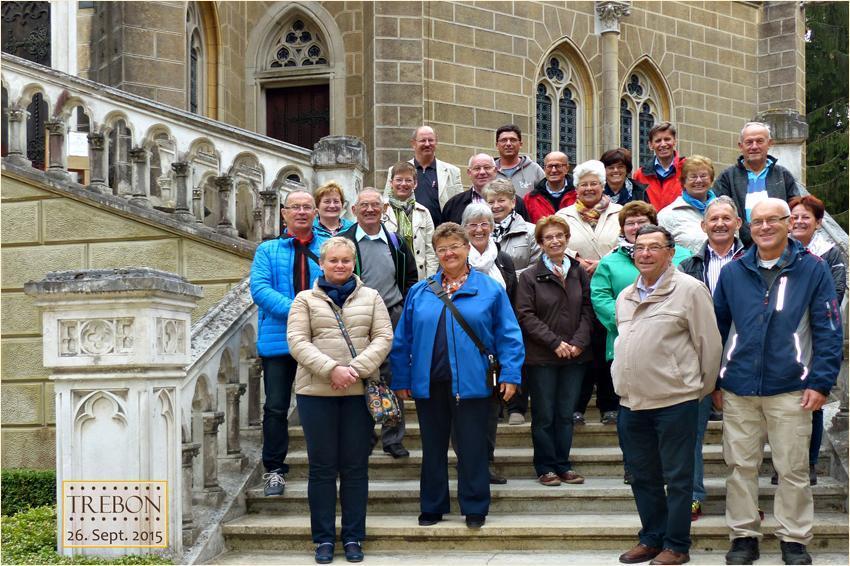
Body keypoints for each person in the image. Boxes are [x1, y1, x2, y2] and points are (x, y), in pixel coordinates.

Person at [714, 198, 843, 566]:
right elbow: (717, 329)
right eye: (758, 222)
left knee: (793, 469)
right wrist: (715, 382)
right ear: (748, 227)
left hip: (791, 389)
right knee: (740, 468)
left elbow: (829, 329)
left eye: (774, 220)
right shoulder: (733, 272)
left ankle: (794, 538)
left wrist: (820, 382)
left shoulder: (813, 269)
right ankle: (743, 536)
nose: (765, 227)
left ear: (789, 224)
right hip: (739, 389)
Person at [390, 223, 524, 530]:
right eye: (442, 248)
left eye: (454, 246)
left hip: (473, 383)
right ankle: (432, 505)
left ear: (466, 249)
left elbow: (509, 335)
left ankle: (475, 505)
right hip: (429, 383)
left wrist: (511, 373)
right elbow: (403, 340)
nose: (449, 253)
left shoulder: (490, 288)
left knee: (473, 447)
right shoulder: (419, 291)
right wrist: (401, 379)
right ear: (435, 253)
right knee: (433, 447)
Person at [613, 225, 722, 566]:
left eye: (653, 247)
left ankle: (677, 544)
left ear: (670, 252)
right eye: (639, 247)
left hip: (676, 401)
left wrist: (696, 390)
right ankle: (651, 538)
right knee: (642, 475)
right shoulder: (625, 296)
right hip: (631, 403)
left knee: (677, 477)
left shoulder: (690, 290)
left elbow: (710, 345)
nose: (644, 253)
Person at [287, 237, 393, 565]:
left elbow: (384, 337)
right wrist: (331, 369)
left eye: (346, 260)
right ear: (322, 263)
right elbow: (297, 341)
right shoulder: (305, 300)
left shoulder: (372, 297)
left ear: (353, 264)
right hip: (315, 394)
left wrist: (354, 371)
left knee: (354, 468)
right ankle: (322, 539)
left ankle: (352, 537)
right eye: (333, 260)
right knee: (321, 469)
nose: (340, 266)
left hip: (358, 394)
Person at [589, 201, 692, 483]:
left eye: (642, 221)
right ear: (622, 229)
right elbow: (600, 298)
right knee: (632, 419)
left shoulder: (683, 257)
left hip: (670, 356)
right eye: (630, 223)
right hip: (624, 348)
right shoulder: (610, 261)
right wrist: (630, 324)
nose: (636, 227)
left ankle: (670, 472)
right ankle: (634, 466)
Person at [250, 191, 325, 497]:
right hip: (279, 339)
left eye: (308, 207)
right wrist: (300, 309)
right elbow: (260, 289)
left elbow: (341, 281)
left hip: (321, 337)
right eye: (296, 207)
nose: (302, 212)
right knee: (276, 408)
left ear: (316, 213)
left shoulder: (328, 247)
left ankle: (324, 466)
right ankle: (274, 471)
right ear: (284, 214)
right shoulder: (267, 250)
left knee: (321, 406)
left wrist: (312, 312)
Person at [676, 196, 745, 522]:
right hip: (698, 363)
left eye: (725, 219)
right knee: (691, 436)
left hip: (743, 362)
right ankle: (692, 496)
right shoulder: (688, 266)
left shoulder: (753, 261)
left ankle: (743, 501)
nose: (719, 224)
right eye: (713, 219)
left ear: (738, 224)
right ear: (703, 226)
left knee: (744, 440)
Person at [339, 189, 418, 459]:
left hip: (393, 312)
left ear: (384, 208)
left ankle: (393, 438)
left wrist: (405, 307)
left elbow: (410, 277)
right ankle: (363, 435)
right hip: (357, 315)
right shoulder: (344, 241)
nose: (370, 210)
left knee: (393, 374)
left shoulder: (395, 241)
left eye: (375, 205)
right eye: (364, 205)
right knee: (360, 373)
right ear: (354, 210)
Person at [516, 215, 593, 487]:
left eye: (559, 235)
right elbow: (525, 316)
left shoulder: (578, 272)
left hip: (575, 355)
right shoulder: (529, 277)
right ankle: (546, 466)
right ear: (540, 243)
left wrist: (578, 342)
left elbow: (587, 309)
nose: (555, 241)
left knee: (565, 414)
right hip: (543, 358)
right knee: (545, 415)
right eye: (548, 237)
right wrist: (555, 342)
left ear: (567, 238)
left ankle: (564, 464)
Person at [782, 194, 847, 488]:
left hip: (814, 337)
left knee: (812, 405)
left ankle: (808, 462)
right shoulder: (777, 251)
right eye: (793, 216)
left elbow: (834, 295)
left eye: (805, 217)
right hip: (783, 339)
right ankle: (784, 464)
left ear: (818, 223)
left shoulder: (829, 254)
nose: (798, 221)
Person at [557, 160, 622, 427]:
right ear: (576, 188)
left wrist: (603, 262)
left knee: (608, 346)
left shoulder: (621, 212)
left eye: (594, 183)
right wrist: (578, 260)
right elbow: (555, 240)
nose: (589, 188)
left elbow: (627, 239)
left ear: (602, 185)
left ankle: (610, 405)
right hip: (577, 286)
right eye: (583, 184)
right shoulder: (564, 215)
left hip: (611, 285)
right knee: (582, 347)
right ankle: (577, 406)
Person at [461, 203, 518, 485]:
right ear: (464, 229)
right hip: (462, 345)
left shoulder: (504, 261)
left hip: (493, 349)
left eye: (484, 224)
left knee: (490, 413)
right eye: (472, 225)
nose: (479, 229)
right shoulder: (457, 259)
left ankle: (486, 462)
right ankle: (467, 464)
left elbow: (513, 306)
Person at [713, 122, 801, 247]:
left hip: (778, 245)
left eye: (760, 141)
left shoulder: (783, 175)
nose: (754, 146)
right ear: (741, 146)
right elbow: (717, 209)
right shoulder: (727, 177)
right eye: (749, 142)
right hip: (740, 248)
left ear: (769, 143)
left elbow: (795, 207)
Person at [383, 125, 464, 226]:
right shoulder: (395, 171)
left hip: (442, 234)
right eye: (422, 140)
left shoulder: (452, 172)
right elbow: (386, 204)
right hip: (407, 233)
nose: (427, 144)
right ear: (413, 144)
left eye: (431, 140)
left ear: (436, 143)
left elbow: (460, 207)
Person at [383, 161, 439, 280]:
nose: (403, 184)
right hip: (388, 276)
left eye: (408, 180)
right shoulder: (381, 209)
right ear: (391, 182)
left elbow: (431, 251)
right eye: (399, 179)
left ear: (415, 184)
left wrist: (431, 281)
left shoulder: (424, 212)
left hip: (418, 277)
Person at [443, 153, 529, 225]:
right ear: (469, 173)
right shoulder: (453, 205)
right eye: (477, 168)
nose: (482, 172)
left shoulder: (515, 201)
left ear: (495, 171)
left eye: (487, 167)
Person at [657, 155, 718, 254]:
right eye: (693, 176)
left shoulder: (726, 209)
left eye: (703, 176)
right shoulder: (667, 215)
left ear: (711, 181)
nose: (698, 180)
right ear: (683, 182)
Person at [484, 178, 541, 274]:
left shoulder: (532, 232)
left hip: (521, 287)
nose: (496, 206)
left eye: (501, 200)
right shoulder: (479, 232)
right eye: (491, 202)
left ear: (513, 202)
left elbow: (536, 267)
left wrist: (509, 281)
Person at [632, 122, 686, 212]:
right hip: (652, 225)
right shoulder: (640, 175)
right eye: (658, 141)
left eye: (667, 139)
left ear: (675, 141)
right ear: (650, 145)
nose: (663, 144)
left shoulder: (687, 169)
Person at [493, 124, 546, 197]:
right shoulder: (490, 170)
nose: (508, 144)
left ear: (520, 144)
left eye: (513, 140)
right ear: (497, 145)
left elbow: (546, 197)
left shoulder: (534, 170)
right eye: (504, 140)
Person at [524, 151, 576, 224]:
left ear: (567, 168)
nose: (553, 170)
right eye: (550, 166)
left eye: (558, 166)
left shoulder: (579, 196)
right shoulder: (530, 199)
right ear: (544, 169)